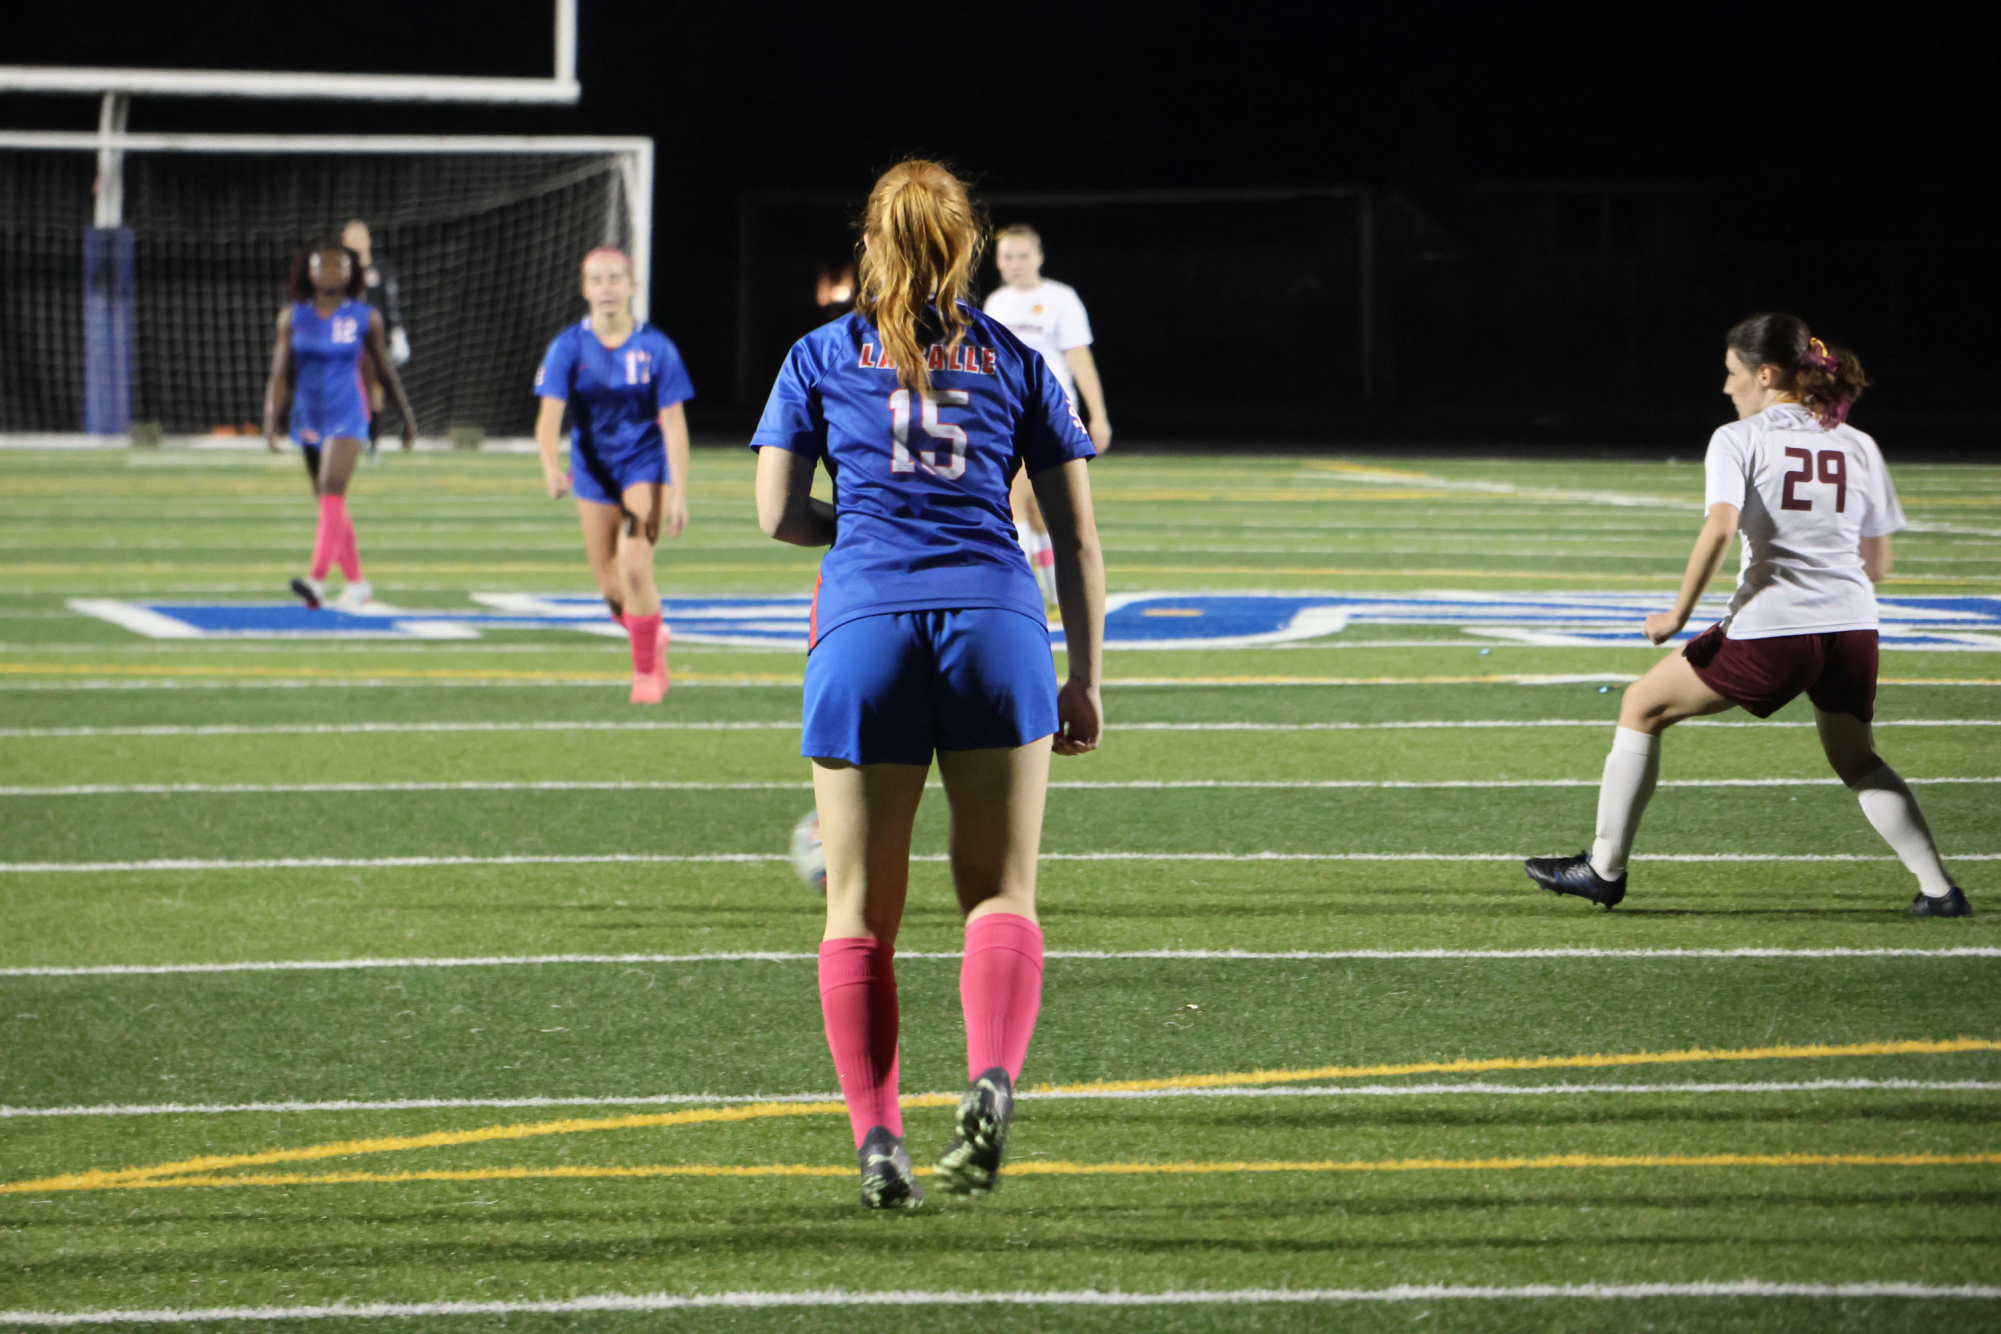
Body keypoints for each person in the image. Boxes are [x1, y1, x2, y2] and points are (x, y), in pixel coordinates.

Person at [752, 160, 1106, 1209]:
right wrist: (1085, 676)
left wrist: (856, 528)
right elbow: (1078, 538)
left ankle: (877, 1140)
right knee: (1000, 890)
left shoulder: (819, 352)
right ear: (967, 247)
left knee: (858, 911)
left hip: (865, 627)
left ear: (871, 244)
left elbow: (776, 513)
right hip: (996, 623)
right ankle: (992, 1071)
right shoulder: (1013, 354)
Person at [1526, 313, 1970, 917]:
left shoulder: (1740, 437)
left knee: (1641, 706)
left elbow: (1719, 529)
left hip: (1776, 626)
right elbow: (1879, 561)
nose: (1726, 387)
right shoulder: (1857, 442)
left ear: (1765, 374)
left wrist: (1676, 615)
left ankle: (1603, 869)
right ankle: (1940, 891)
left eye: (1733, 374)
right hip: (1853, 628)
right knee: (1857, 757)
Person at [534, 247, 694, 704]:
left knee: (635, 567)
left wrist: (678, 493)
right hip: (592, 472)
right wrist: (549, 467)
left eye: (615, 278)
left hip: (644, 467)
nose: (607, 288)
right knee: (611, 587)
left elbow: (676, 424)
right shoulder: (568, 346)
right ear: (585, 289)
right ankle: (652, 632)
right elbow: (548, 419)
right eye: (597, 280)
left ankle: (646, 674)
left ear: (632, 286)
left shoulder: (655, 348)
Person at [264, 238, 416, 610]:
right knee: (330, 503)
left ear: (352, 274)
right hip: (309, 415)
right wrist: (270, 419)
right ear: (310, 272)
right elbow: (280, 373)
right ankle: (358, 583)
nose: (333, 271)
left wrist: (406, 418)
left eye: (341, 266)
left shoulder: (366, 317)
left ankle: (316, 582)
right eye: (324, 265)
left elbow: (383, 369)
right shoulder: (293, 316)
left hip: (348, 412)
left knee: (332, 489)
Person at [983, 225, 1111, 605]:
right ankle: (1045, 591)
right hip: (1005, 416)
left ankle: (1031, 590)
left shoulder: (1060, 298)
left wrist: (1098, 415)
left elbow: (1078, 358)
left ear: (1039, 257)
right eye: (1008, 257)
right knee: (1019, 500)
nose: (1016, 264)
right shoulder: (996, 303)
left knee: (1039, 509)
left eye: (1023, 255)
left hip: (1051, 415)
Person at [341, 220, 410, 457]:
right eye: (352, 237)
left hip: (373, 342)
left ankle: (372, 443)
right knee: (344, 389)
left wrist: (398, 333)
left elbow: (391, 305)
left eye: (361, 236)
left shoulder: (380, 272)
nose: (357, 241)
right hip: (345, 339)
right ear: (344, 242)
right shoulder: (341, 272)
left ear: (368, 240)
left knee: (375, 390)